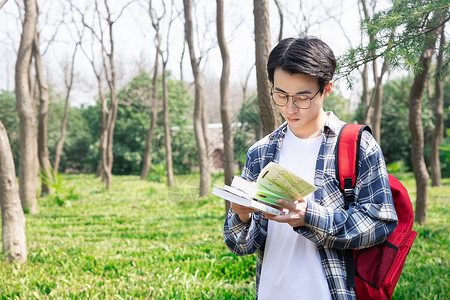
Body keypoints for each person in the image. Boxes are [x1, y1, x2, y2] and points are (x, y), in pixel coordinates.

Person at [223, 36, 398, 300]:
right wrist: (240, 214)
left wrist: (310, 217)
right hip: (271, 291)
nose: (290, 108)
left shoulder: (357, 144)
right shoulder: (261, 152)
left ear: (326, 89)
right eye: (280, 95)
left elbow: (380, 222)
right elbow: (240, 245)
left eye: (302, 97)